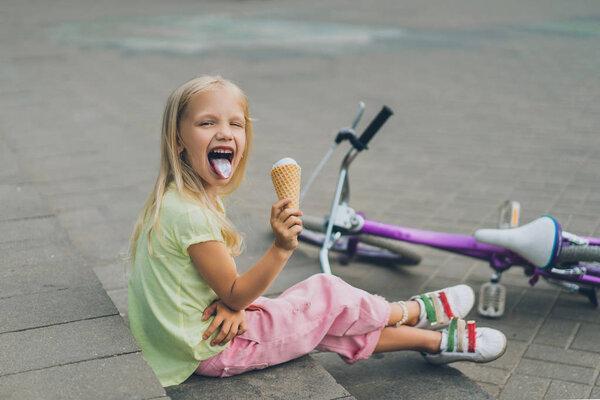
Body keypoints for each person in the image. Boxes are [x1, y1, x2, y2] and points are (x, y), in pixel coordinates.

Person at [127, 75, 507, 387]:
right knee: (326, 292)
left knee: (325, 321)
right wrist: (280, 249)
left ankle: (435, 341)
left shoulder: (180, 200)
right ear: (178, 140)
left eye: (235, 123)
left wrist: (232, 304)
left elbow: (211, 286)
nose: (224, 132)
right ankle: (410, 310)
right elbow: (235, 292)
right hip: (214, 346)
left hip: (196, 335)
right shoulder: (192, 215)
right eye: (207, 122)